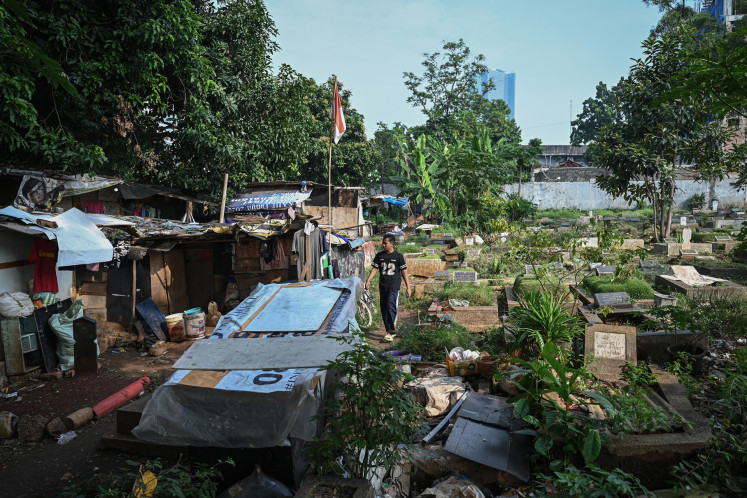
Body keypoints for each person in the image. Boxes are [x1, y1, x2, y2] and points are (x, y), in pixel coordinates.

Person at [365, 233, 411, 339]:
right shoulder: (380, 256)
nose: (383, 245)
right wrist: (368, 280)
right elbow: (375, 269)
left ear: (392, 244)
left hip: (394, 287)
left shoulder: (398, 256)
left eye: (385, 243)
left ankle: (391, 331)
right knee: (384, 308)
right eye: (383, 243)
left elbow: (404, 272)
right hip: (383, 286)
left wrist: (408, 287)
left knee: (391, 306)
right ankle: (388, 330)